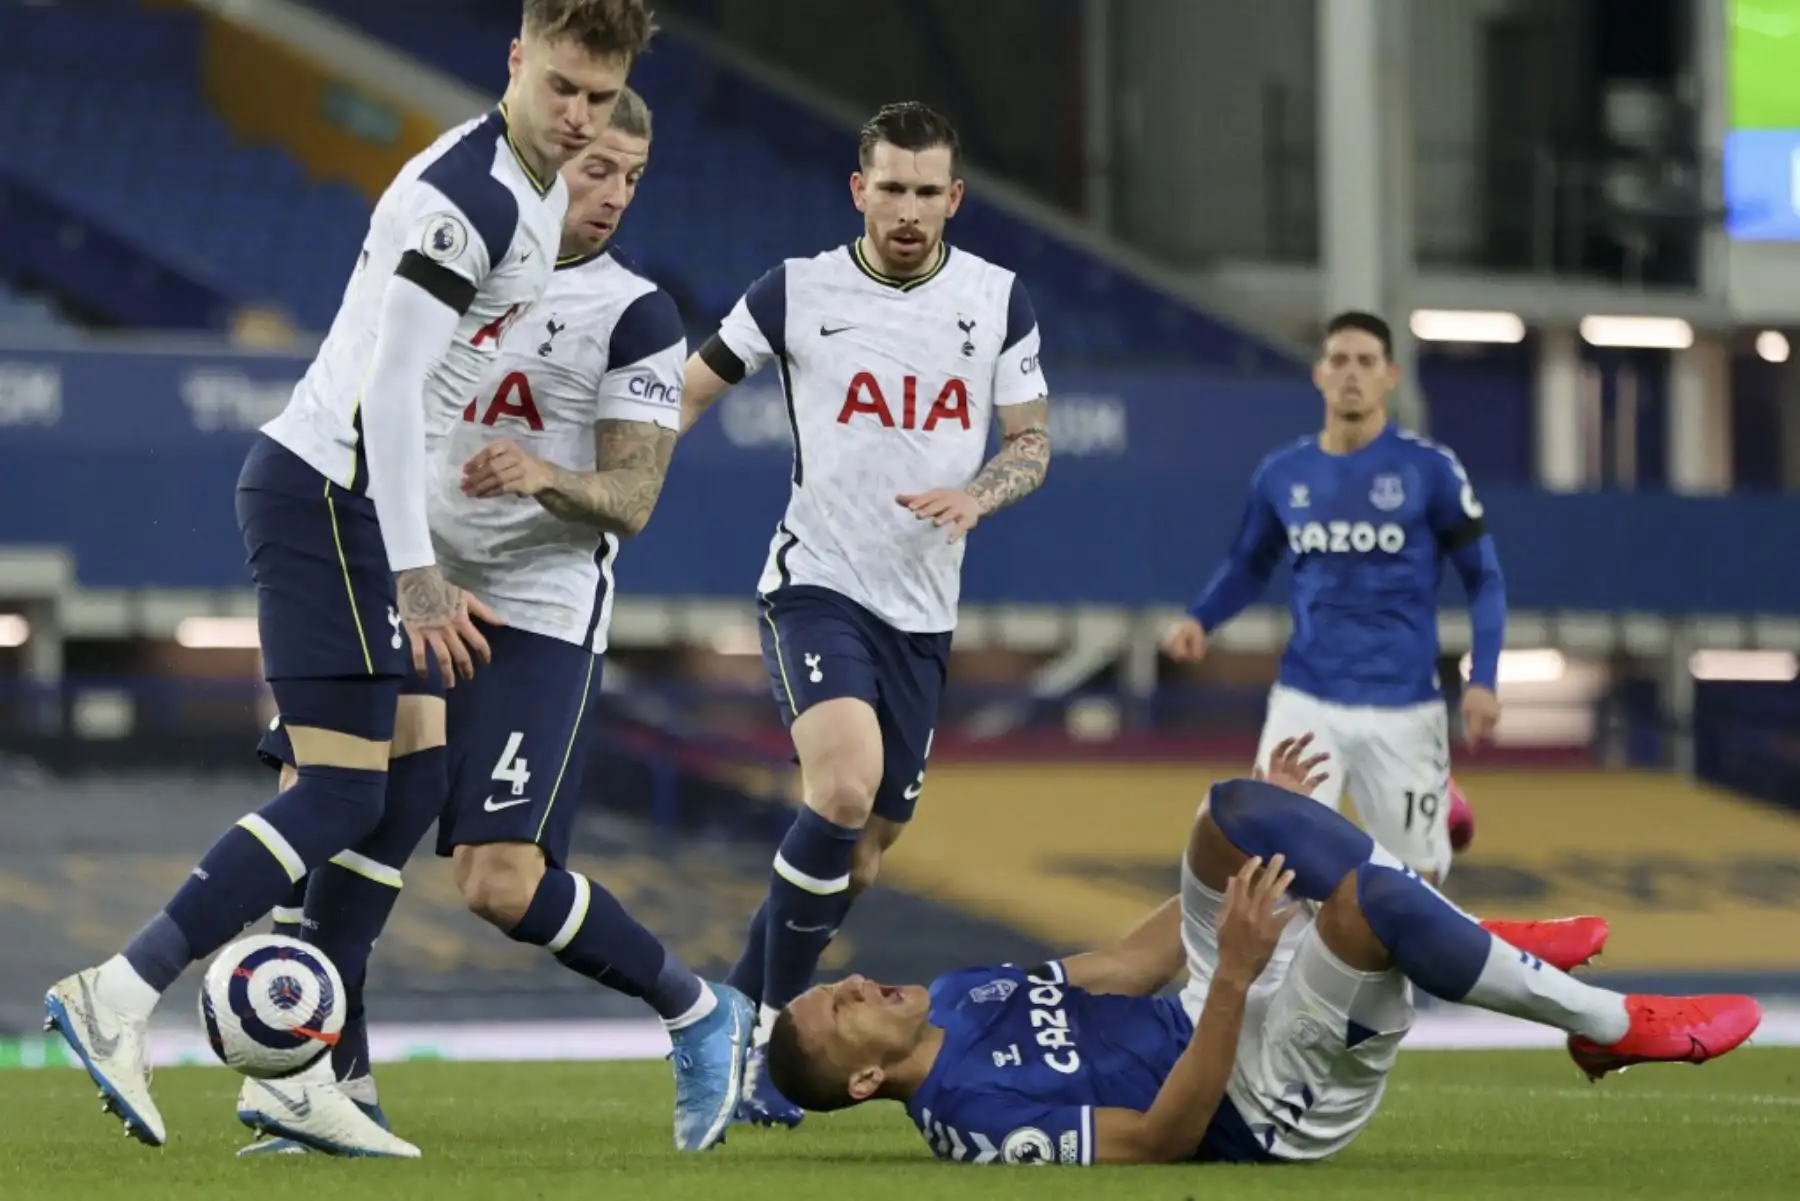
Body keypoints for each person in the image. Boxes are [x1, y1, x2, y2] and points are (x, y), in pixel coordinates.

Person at [42, 0, 658, 1155]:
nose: (577, 116)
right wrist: (421, 575)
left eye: (597, 97)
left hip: (358, 508)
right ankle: (118, 993)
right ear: (516, 62)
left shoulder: (531, 185)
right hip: (329, 496)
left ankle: (301, 1077)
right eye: (562, 87)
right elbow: (388, 390)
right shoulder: (471, 197)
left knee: (414, 780)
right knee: (338, 793)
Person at [238, 89, 753, 1158]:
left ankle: (700, 1012)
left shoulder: (637, 314)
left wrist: (548, 476)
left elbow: (635, 500)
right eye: (595, 167)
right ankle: (338, 1094)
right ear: (554, 149)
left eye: (630, 178)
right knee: (333, 814)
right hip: (406, 575)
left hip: (534, 610)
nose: (609, 194)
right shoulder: (464, 249)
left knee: (497, 881)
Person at [760, 737, 1762, 1165]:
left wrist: (1261, 860)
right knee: (1369, 902)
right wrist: (1236, 970)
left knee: (1230, 811)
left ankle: (1461, 939)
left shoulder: (960, 992)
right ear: (866, 1082)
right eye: (838, 1012)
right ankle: (1608, 1024)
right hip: (1259, 1100)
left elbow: (1124, 965)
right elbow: (1163, 1141)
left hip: (1212, 1009)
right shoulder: (970, 1119)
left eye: (835, 986)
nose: (850, 982)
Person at [679, 101, 1052, 1126]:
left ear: (954, 198)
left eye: (928, 191)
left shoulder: (996, 299)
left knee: (867, 849)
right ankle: (754, 1044)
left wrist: (983, 490)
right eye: (891, 186)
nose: (908, 208)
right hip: (818, 581)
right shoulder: (796, 291)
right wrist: (609, 481)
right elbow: (687, 390)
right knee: (842, 789)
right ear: (859, 189)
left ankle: (729, 1013)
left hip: (922, 617)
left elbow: (1032, 440)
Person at [1163, 311, 1506, 882]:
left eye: (1366, 362)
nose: (1352, 373)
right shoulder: (1282, 474)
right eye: (1339, 360)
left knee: (1415, 888)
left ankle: (1435, 790)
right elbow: (1249, 564)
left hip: (1404, 707)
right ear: (1319, 375)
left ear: (1390, 375)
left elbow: (1484, 578)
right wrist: (1202, 618)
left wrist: (1485, 679)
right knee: (1272, 866)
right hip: (1307, 700)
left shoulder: (1430, 471)